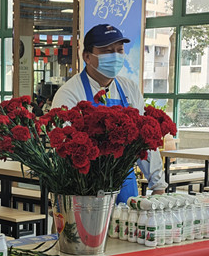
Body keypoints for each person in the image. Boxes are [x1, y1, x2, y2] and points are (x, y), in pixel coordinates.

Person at [51, 23, 167, 201]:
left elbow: (145, 141)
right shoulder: (70, 93)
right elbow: (62, 150)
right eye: (106, 51)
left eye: (119, 50)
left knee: (125, 228)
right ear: (87, 57)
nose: (115, 56)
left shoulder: (130, 89)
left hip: (124, 184)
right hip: (83, 186)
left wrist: (158, 185)